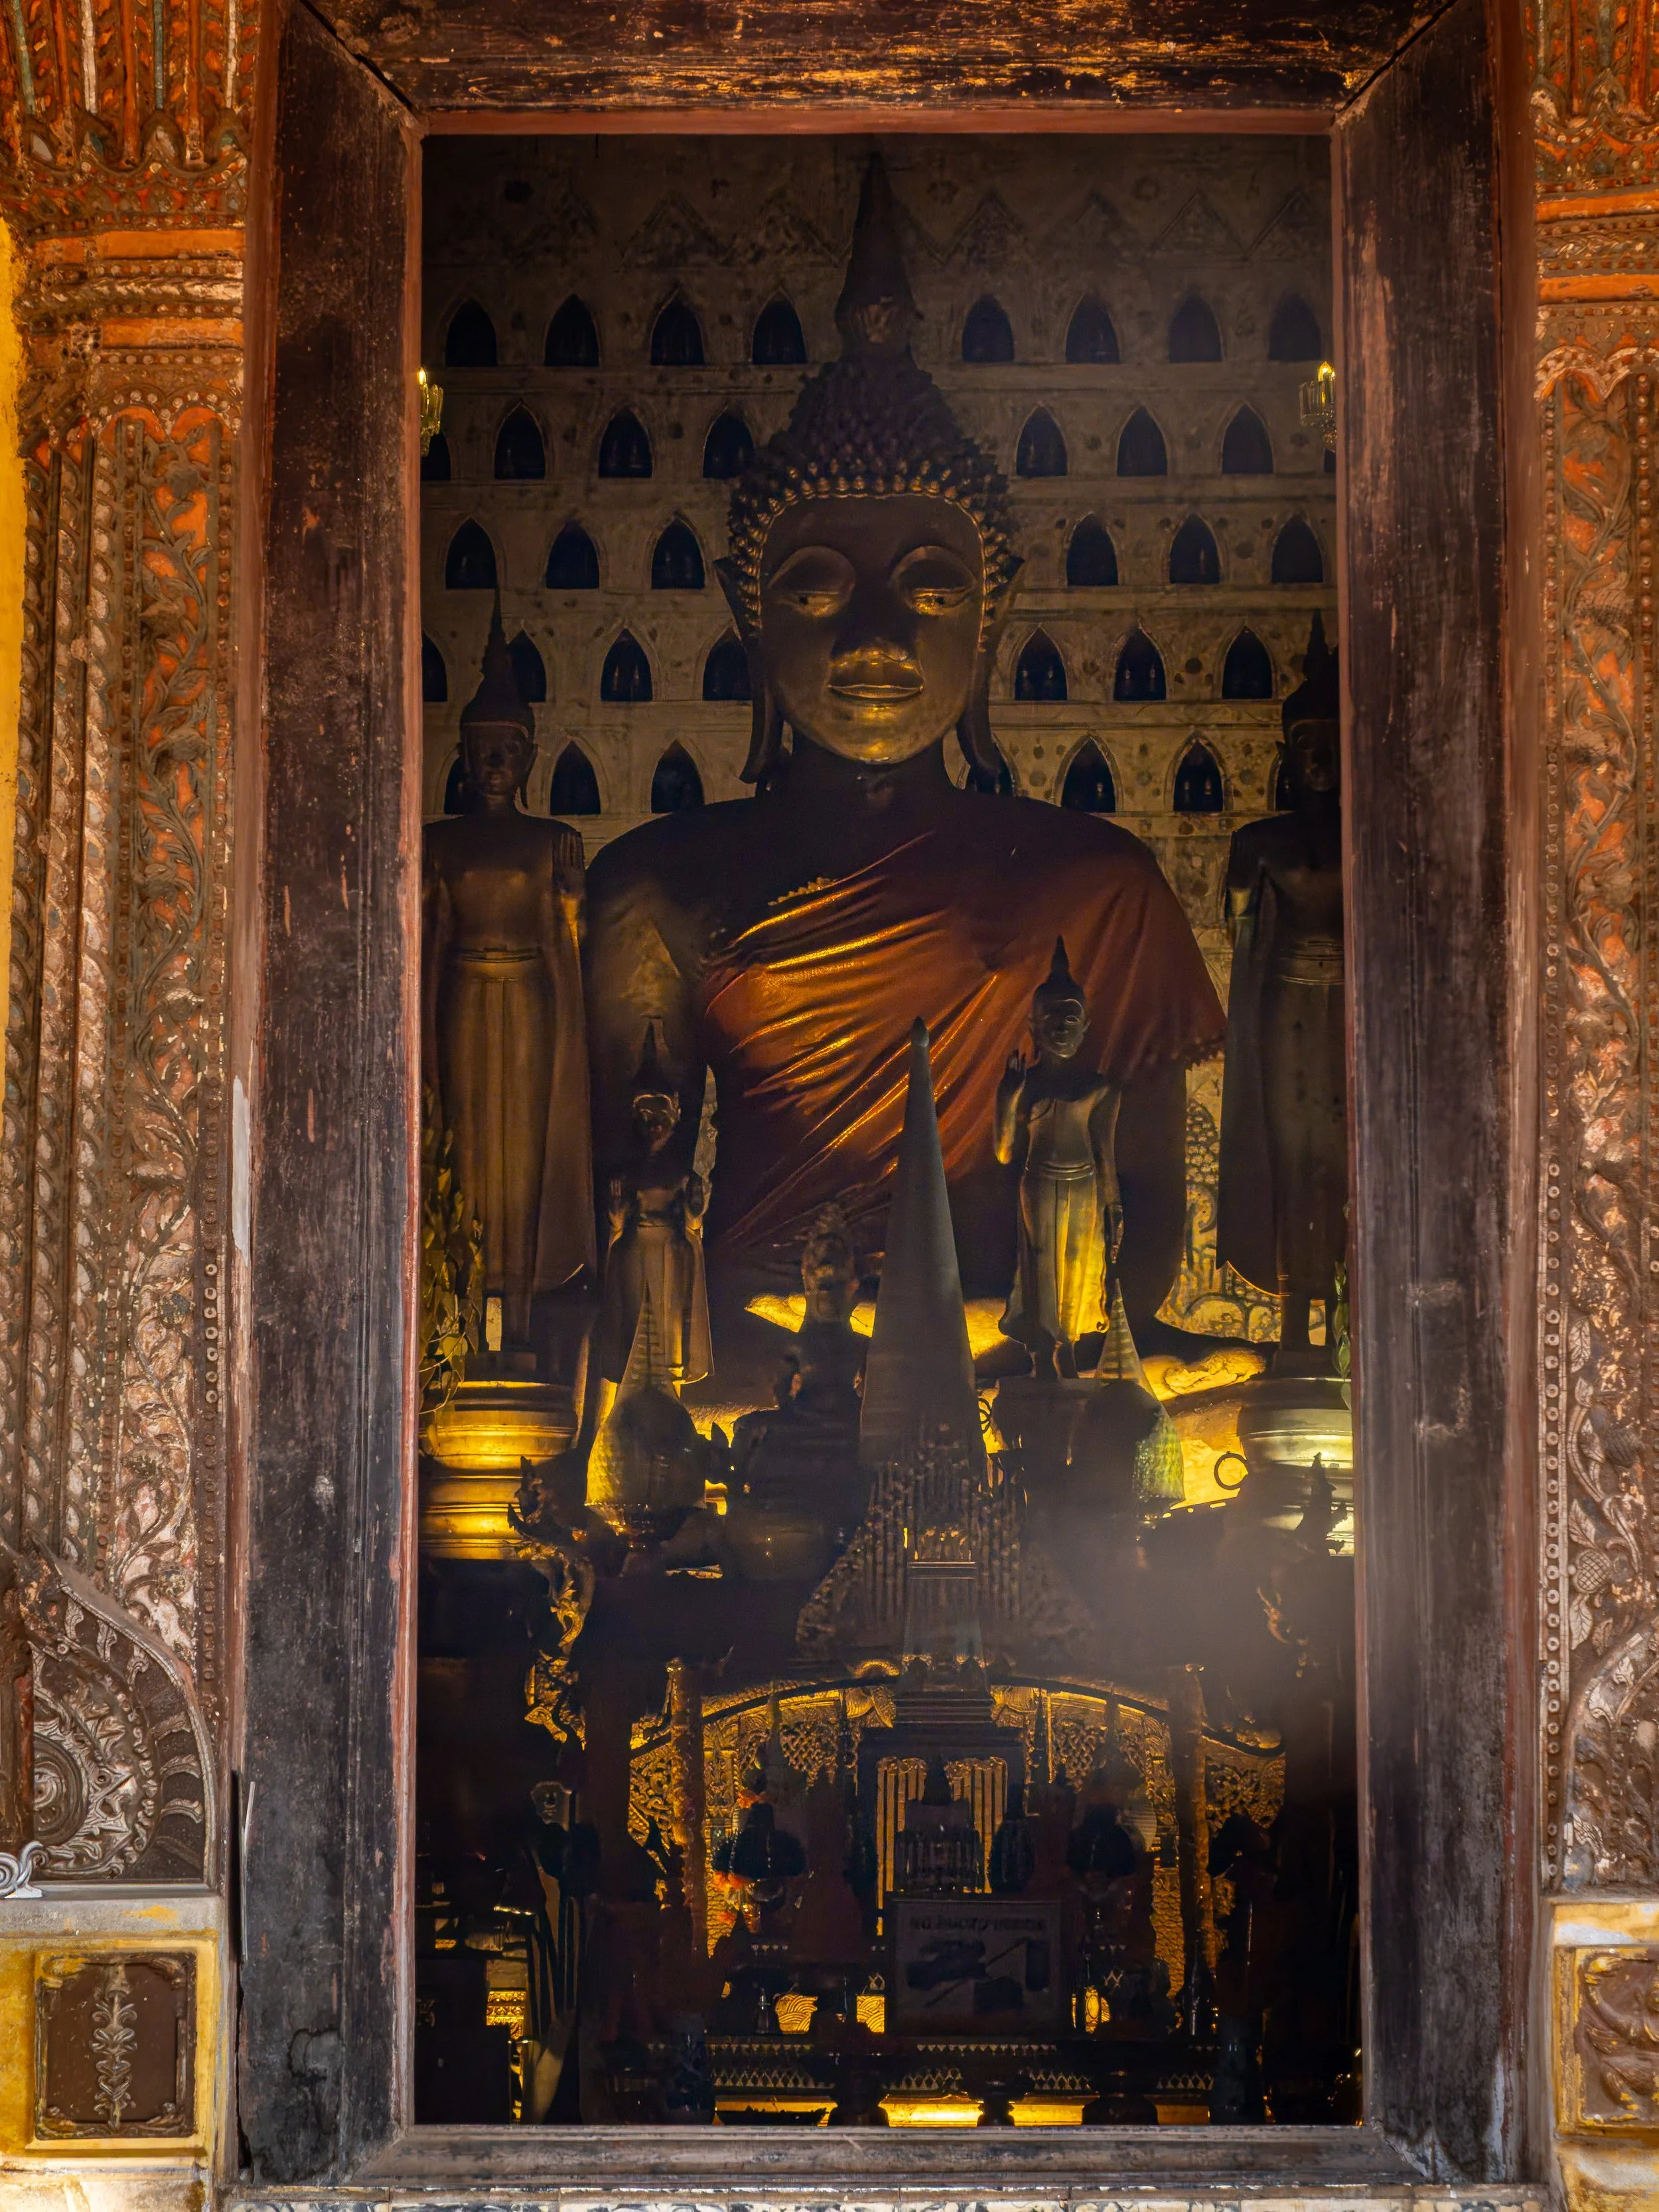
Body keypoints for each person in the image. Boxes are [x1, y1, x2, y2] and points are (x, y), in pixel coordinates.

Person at [585, 155, 1222, 1323]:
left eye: (929, 593)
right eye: (817, 591)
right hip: (756, 1346)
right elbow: (631, 1205)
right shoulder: (655, 887)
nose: (875, 638)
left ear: (992, 620)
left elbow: (1145, 1220)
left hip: (997, 1339)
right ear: (749, 618)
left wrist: (1076, 1369)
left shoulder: (1097, 887)